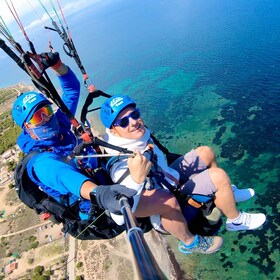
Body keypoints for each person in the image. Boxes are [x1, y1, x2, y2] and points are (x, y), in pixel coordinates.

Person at [99, 94, 267, 254]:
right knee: (218, 176)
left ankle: (227, 193)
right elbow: (123, 212)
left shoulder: (139, 138)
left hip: (170, 179)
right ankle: (230, 222)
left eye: (135, 114)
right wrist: (136, 179)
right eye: (124, 121)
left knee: (206, 152)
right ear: (113, 131)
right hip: (166, 209)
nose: (134, 122)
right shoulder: (121, 163)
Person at [11, 52, 138, 223]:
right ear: (27, 127)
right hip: (94, 208)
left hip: (100, 175)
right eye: (37, 117)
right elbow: (63, 176)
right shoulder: (40, 162)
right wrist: (99, 194)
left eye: (47, 111)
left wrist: (57, 66)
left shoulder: (60, 123)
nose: (46, 119)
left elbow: (71, 90)